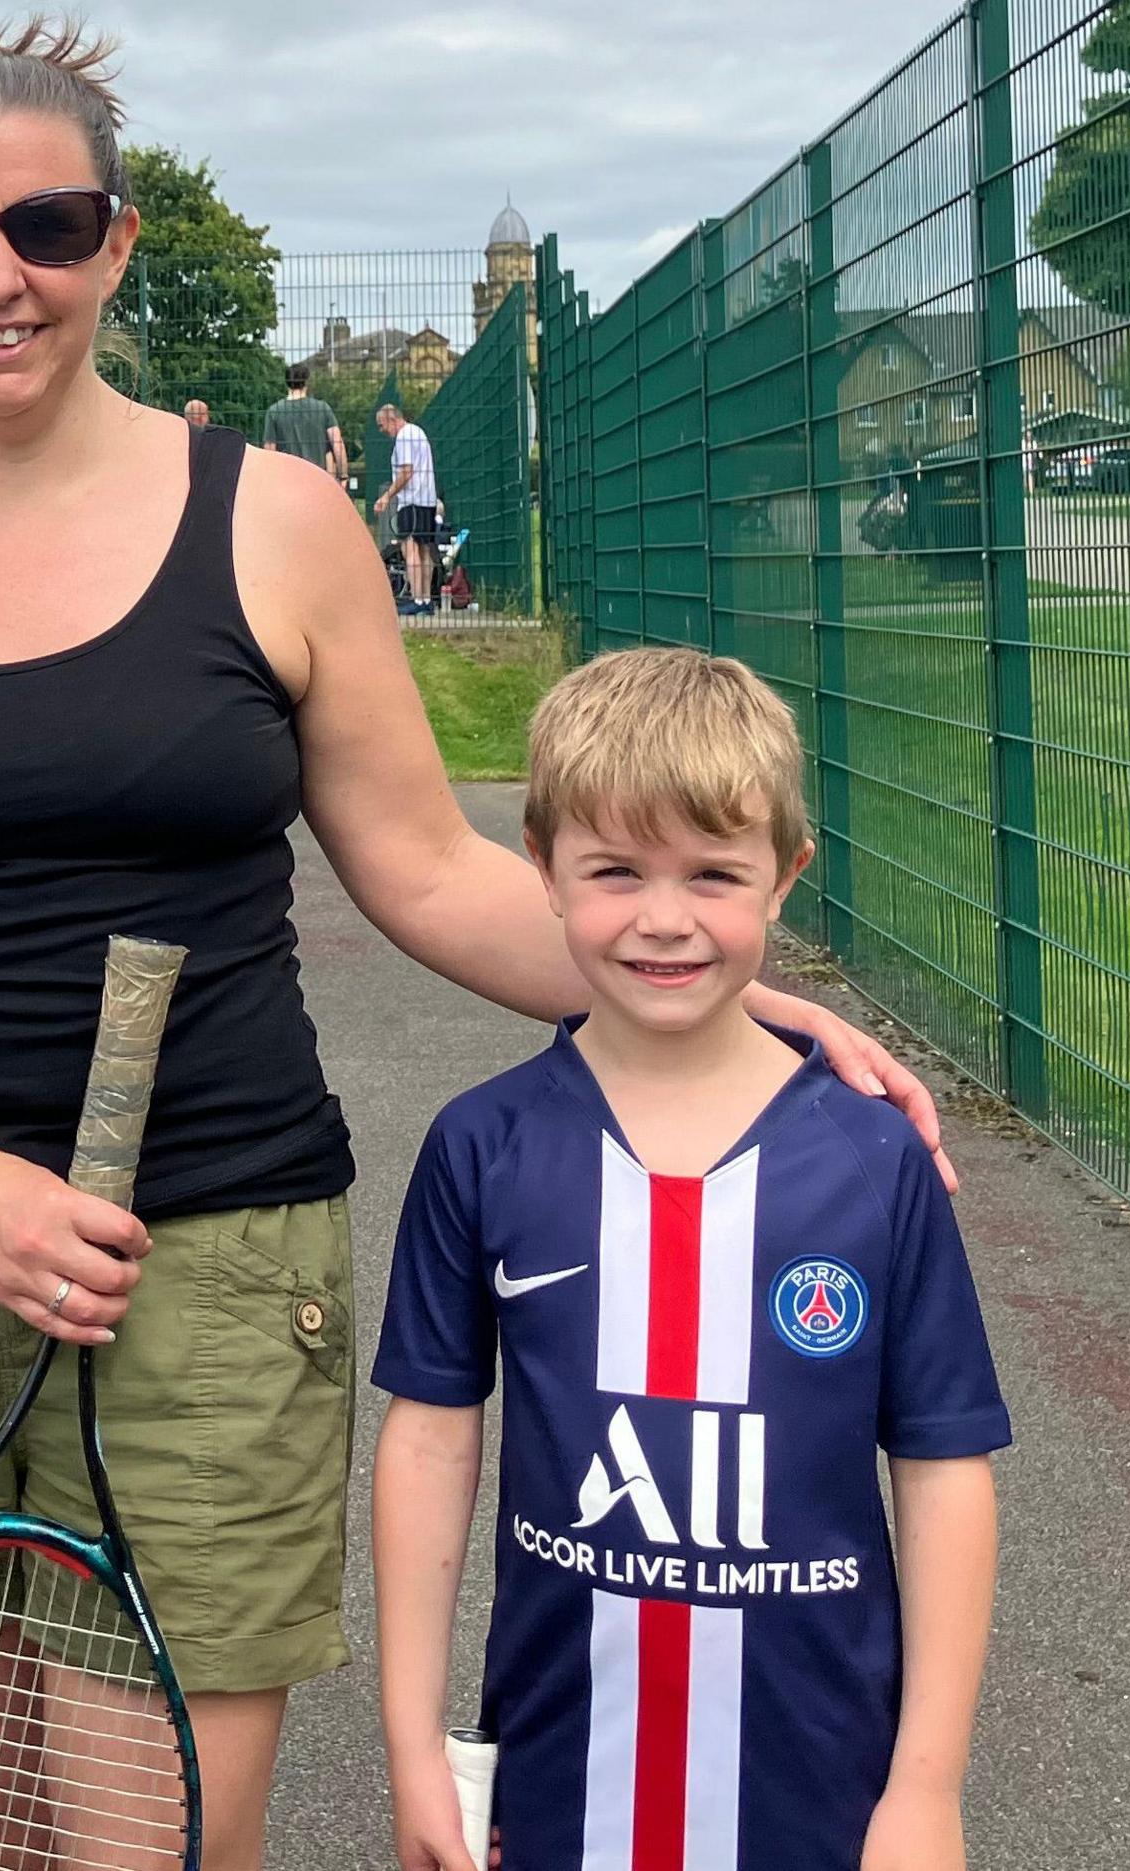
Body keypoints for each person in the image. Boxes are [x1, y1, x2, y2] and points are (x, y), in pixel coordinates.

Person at [0, 17, 943, 1871]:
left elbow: (430, 864)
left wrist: (734, 1001)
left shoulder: (274, 524)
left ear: (118, 242)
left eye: (47, 221)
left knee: (154, 1838)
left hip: (203, 1256)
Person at [373, 647, 1006, 1871]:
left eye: (714, 874)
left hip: (816, 1790)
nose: (665, 917)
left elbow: (943, 1468)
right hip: (562, 1779)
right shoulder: (483, 1145)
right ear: (544, 867)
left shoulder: (872, 1164)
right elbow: (430, 1433)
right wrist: (410, 1744)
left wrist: (926, 1787)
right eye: (616, 870)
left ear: (786, 879)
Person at [377, 404, 440, 615]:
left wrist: (387, 496)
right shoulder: (418, 432)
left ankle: (417, 598)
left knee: (409, 548)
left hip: (411, 499)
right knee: (424, 549)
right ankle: (426, 600)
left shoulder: (404, 436)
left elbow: (405, 472)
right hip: (427, 499)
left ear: (392, 419)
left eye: (382, 425)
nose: (382, 430)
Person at [260, 368, 347, 485]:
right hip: (318, 480)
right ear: (306, 382)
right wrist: (343, 476)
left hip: (289, 482)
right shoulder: (322, 408)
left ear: (287, 383)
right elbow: (337, 444)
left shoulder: (274, 412)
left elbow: (269, 451)